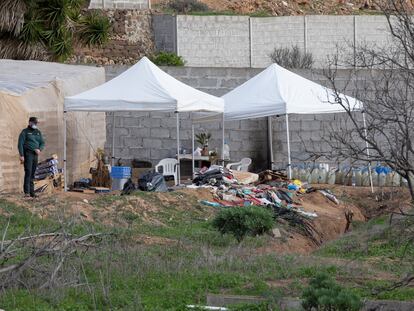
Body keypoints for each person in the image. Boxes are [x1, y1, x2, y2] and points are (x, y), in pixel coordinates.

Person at [18, 117, 45, 197]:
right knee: (28, 172)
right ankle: (27, 192)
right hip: (28, 154)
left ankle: (32, 192)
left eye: (36, 123)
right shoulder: (25, 132)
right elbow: (20, 144)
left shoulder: (38, 132)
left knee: (33, 173)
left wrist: (40, 149)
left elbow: (42, 143)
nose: (35, 124)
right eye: (34, 123)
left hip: (35, 155)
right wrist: (22, 155)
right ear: (30, 122)